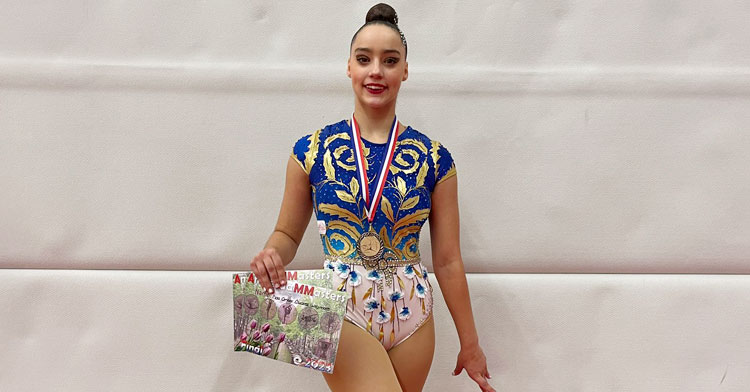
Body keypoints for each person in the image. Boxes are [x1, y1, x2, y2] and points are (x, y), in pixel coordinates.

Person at [250, 3, 495, 391]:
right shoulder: (311, 151)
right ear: (349, 67)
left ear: (405, 70)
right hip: (340, 308)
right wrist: (271, 254)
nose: (376, 71)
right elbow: (287, 234)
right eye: (364, 59)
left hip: (415, 317)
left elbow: (448, 261)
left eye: (390, 60)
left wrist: (471, 343)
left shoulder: (435, 158)